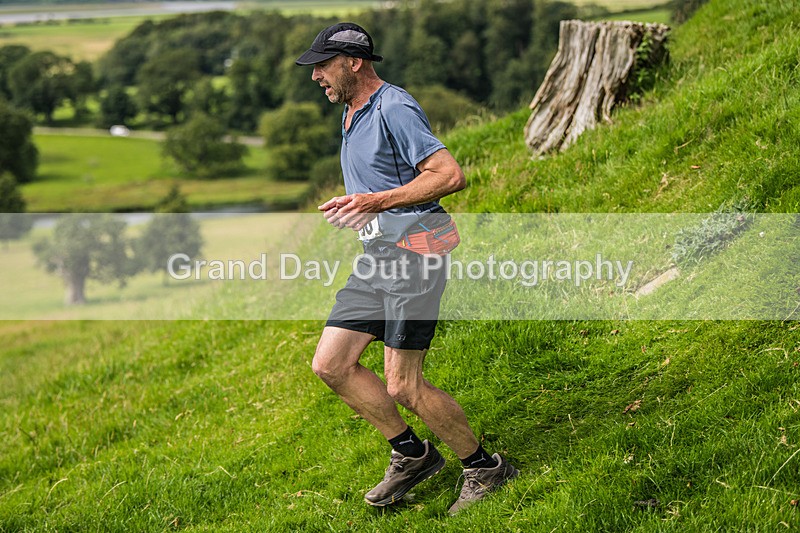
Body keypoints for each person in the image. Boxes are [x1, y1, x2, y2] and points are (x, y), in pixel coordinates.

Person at [295, 22, 518, 514]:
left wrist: (376, 201)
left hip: (418, 250)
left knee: (403, 384)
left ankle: (485, 467)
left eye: (322, 66)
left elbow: (449, 175)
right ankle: (411, 454)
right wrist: (359, 210)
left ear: (354, 62)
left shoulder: (393, 107)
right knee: (331, 365)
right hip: (378, 257)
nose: (316, 78)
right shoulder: (352, 112)